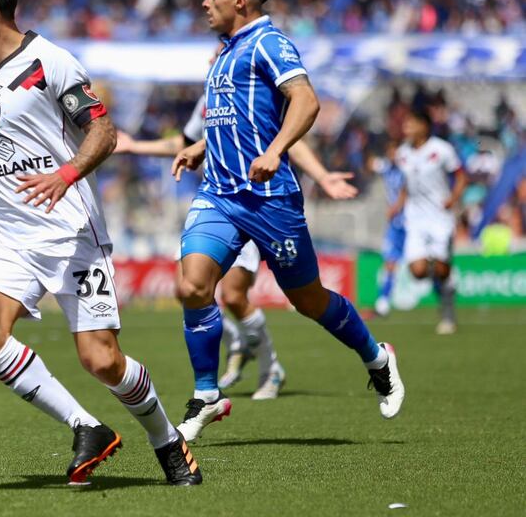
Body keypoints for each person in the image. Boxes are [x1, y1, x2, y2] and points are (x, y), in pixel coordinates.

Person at [0, 0, 202, 486]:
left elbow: (104, 133)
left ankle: (167, 440)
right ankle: (85, 426)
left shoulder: (51, 62)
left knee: (102, 361)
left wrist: (67, 174)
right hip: (9, 235)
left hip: (71, 232)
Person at [168, 0, 404, 442]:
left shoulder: (268, 43)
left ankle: (377, 358)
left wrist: (275, 152)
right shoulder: (225, 53)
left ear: (238, 1)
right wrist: (200, 147)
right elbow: (236, 119)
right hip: (219, 194)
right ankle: (208, 395)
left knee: (309, 300)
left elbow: (305, 100)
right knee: (193, 285)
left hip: (269, 200)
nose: (204, 2)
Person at [115, 113, 358, 400]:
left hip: (253, 205)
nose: (209, 63)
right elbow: (184, 143)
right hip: (212, 206)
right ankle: (233, 343)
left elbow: (287, 137)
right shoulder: (210, 94)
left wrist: (321, 175)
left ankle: (270, 369)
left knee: (234, 296)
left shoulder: (253, 83)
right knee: (187, 290)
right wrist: (134, 147)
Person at [392, 108, 466, 335]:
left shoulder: (442, 149)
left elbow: (462, 176)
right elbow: (407, 183)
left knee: (442, 270)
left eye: (411, 124)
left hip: (440, 218)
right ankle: (439, 275)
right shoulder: (402, 153)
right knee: (417, 271)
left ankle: (447, 310)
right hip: (415, 219)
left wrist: (453, 198)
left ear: (424, 126)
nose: (406, 129)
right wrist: (398, 205)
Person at [370, 140, 407, 317]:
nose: (394, 156)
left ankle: (445, 293)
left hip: (411, 222)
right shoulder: (386, 168)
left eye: (397, 152)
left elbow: (406, 192)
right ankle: (383, 301)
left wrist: (396, 207)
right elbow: (369, 163)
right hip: (395, 224)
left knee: (423, 263)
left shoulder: (407, 169)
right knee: (390, 261)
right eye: (391, 152)